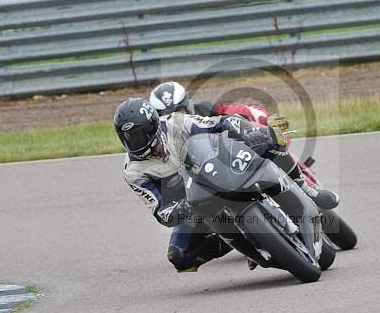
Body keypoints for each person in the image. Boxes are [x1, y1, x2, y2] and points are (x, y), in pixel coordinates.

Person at [114, 97, 288, 273]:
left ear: (153, 126)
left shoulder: (175, 122)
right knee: (180, 257)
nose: (134, 142)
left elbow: (217, 123)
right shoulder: (133, 173)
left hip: (218, 167)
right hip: (194, 203)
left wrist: (245, 131)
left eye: (138, 135)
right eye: (127, 138)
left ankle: (302, 186)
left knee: (267, 139)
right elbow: (160, 211)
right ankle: (245, 244)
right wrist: (179, 209)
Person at [149, 81, 339, 210]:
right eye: (167, 115)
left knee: (269, 142)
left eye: (180, 111)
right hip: (210, 184)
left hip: (235, 155)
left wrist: (267, 119)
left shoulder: (204, 110)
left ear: (188, 104)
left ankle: (308, 187)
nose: (176, 118)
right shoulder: (160, 147)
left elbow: (241, 111)